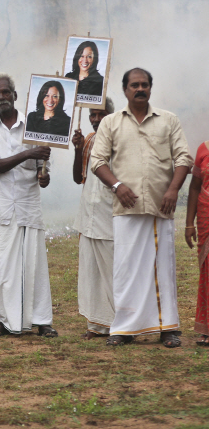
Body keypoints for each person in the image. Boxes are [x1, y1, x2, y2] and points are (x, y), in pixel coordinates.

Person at [90, 67, 193, 348]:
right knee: (126, 269)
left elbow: (184, 157)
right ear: (125, 90)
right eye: (134, 85)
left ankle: (168, 328)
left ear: (150, 88)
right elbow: (97, 161)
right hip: (126, 208)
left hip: (162, 206)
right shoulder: (111, 122)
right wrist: (117, 186)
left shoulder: (168, 120)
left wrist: (173, 190)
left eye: (144, 84)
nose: (140, 89)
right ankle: (124, 329)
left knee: (162, 268)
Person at [0, 73, 58, 338]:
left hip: (28, 205)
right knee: (1, 267)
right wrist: (28, 153)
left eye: (4, 92)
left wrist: (43, 175)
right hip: (1, 207)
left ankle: (42, 320)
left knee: (34, 264)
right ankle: (1, 321)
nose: (0, 97)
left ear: (14, 94)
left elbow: (42, 170)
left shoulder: (34, 123)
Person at [71, 98, 115, 340]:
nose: (96, 119)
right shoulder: (89, 139)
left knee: (112, 270)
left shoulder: (119, 137)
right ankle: (96, 325)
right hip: (88, 213)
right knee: (91, 271)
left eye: (101, 114)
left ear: (111, 113)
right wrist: (78, 149)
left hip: (111, 214)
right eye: (92, 115)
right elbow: (78, 177)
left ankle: (120, 323)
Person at [186, 141, 209, 345]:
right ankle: (207, 328)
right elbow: (194, 187)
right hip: (206, 217)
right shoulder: (204, 149)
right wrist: (188, 224)